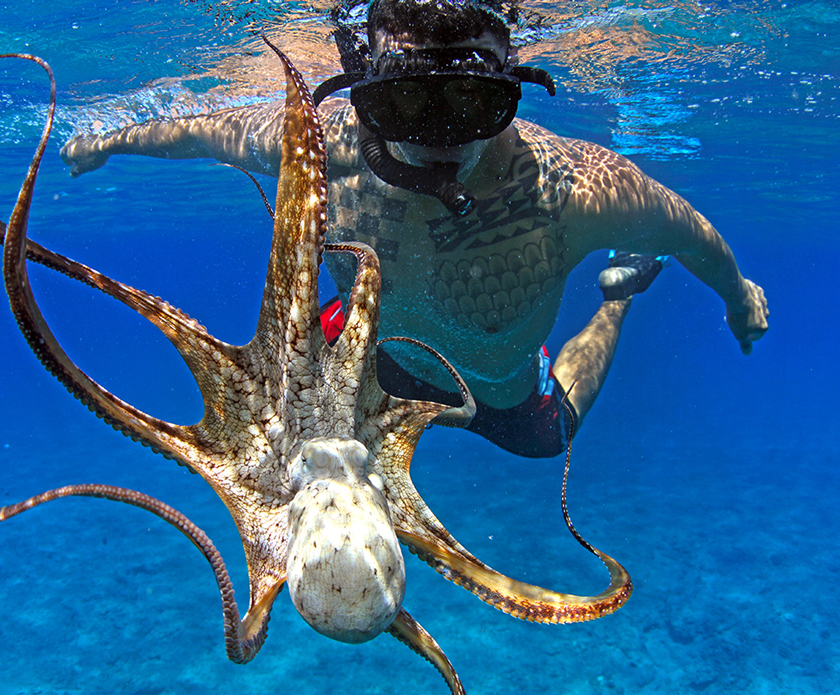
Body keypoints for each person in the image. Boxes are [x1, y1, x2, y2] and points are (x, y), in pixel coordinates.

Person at [59, 0, 769, 458]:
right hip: (372, 357)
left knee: (549, 439)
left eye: (471, 101)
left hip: (497, 389)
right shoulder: (318, 146)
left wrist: (738, 294)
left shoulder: (568, 191)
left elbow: (690, 232)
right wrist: (111, 142)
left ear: (511, 87)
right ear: (360, 83)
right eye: (404, 102)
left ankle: (619, 296)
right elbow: (201, 131)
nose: (440, 138)